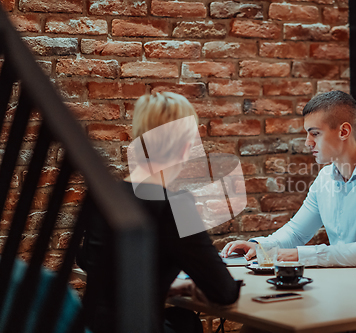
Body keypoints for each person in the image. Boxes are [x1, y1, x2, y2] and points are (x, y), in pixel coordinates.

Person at [77, 92, 240, 333]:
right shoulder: (174, 206)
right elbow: (224, 292)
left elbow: (89, 262)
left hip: (91, 327)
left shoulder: (102, 196)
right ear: (186, 147)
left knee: (185, 320)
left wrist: (162, 286)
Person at [221, 91, 356, 271]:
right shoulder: (325, 178)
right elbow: (296, 233)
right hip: (342, 287)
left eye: (315, 133)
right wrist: (259, 246)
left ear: (344, 131)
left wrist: (299, 255)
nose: (307, 142)